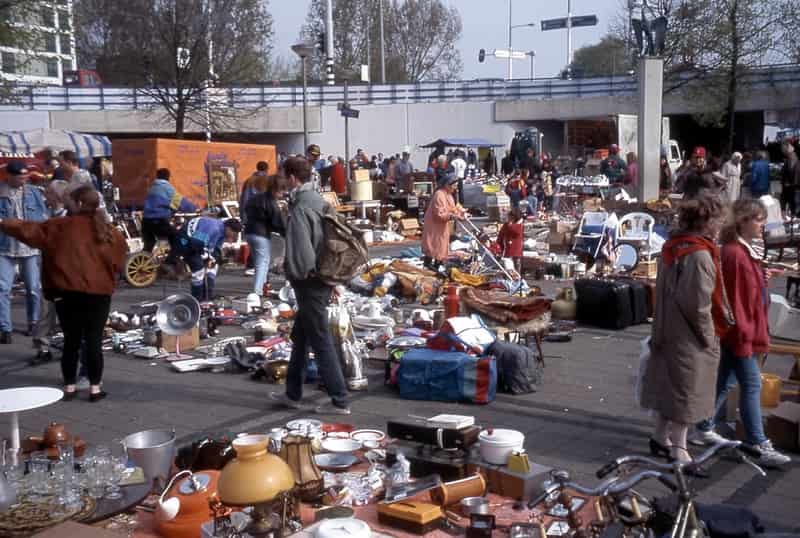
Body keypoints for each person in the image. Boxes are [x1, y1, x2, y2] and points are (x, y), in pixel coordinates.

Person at [0, 185, 127, 401]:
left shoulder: (58, 226)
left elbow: (26, 229)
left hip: (66, 292)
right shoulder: (108, 230)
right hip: (98, 293)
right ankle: (95, 389)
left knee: (71, 340)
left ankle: (69, 387)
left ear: (77, 204)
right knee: (94, 341)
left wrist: (4, 223)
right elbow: (119, 259)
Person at [690, 199, 791, 468]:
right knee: (751, 385)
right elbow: (734, 300)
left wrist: (761, 277)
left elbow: (743, 291)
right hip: (740, 333)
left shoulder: (740, 251)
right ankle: (757, 442)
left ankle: (703, 426)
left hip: (740, 331)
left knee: (726, 379)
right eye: (758, 219)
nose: (763, 224)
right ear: (742, 221)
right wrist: (745, 334)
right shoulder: (735, 253)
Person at [640, 193, 733, 464]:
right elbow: (697, 305)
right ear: (707, 222)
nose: (721, 225)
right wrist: (709, 336)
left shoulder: (674, 246)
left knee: (669, 387)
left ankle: (659, 437)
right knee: (686, 392)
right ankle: (679, 450)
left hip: (668, 331)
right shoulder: (699, 255)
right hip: (687, 337)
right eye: (719, 220)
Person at [271, 157, 351, 415]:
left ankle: (340, 400)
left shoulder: (300, 208)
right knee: (301, 338)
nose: (282, 180)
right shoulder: (319, 201)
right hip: (324, 276)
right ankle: (292, 394)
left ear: (293, 178)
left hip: (310, 281)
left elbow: (302, 254)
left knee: (320, 340)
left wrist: (290, 271)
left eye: (284, 176)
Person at [0, 161, 48, 344]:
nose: (24, 180)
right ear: (9, 176)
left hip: (29, 247)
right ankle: (5, 328)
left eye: (25, 176)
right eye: (20, 177)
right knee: (3, 288)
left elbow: (43, 216)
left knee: (33, 289)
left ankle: (33, 321)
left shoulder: (33, 192)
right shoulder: (1, 192)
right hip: (5, 247)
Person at [31, 180, 69, 364]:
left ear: (57, 196)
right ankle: (43, 347)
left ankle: (70, 347)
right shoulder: (45, 214)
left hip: (66, 272)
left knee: (66, 312)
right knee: (46, 309)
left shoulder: (69, 217)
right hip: (48, 269)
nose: (45, 195)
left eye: (48, 193)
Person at [170, 216, 242, 301]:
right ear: (228, 228)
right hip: (184, 242)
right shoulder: (213, 227)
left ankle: (207, 296)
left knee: (213, 267)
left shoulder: (222, 232)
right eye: (234, 233)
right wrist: (207, 258)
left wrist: (213, 259)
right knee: (199, 269)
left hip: (196, 243)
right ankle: (197, 298)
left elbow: (216, 249)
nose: (234, 236)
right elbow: (196, 243)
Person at [244, 176, 287, 296]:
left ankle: (262, 288)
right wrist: (286, 233)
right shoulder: (271, 202)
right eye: (281, 191)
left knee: (259, 262)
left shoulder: (255, 198)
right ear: (276, 190)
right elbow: (277, 221)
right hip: (261, 234)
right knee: (263, 262)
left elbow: (246, 209)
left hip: (249, 232)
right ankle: (258, 291)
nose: (282, 194)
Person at [141, 168, 197, 253]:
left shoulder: (151, 187)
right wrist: (194, 208)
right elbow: (181, 202)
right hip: (158, 222)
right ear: (168, 177)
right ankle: (170, 262)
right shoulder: (166, 188)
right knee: (177, 237)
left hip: (145, 222)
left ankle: (144, 260)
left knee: (149, 244)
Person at [421, 172, 464, 271]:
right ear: (447, 185)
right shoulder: (439, 195)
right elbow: (439, 213)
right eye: (454, 185)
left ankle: (438, 264)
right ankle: (428, 265)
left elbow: (453, 208)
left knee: (441, 244)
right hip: (434, 224)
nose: (456, 188)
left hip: (441, 225)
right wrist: (452, 216)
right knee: (433, 244)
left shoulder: (448, 195)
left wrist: (461, 212)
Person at [240, 161, 270, 226]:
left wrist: (243, 216)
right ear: (267, 169)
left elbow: (244, 199)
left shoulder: (249, 180)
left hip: (250, 215)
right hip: (262, 216)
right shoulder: (267, 180)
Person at [497, 207, 524, 274]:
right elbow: (501, 235)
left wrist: (510, 225)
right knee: (508, 266)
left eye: (510, 216)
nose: (508, 218)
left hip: (516, 248)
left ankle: (517, 277)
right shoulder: (506, 225)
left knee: (516, 263)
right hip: (507, 248)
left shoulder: (519, 225)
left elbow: (517, 232)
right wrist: (499, 244)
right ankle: (510, 277)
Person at [780, 142, 799, 216]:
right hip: (793, 190)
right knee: (795, 210)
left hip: (793, 189)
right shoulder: (790, 160)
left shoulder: (792, 159)